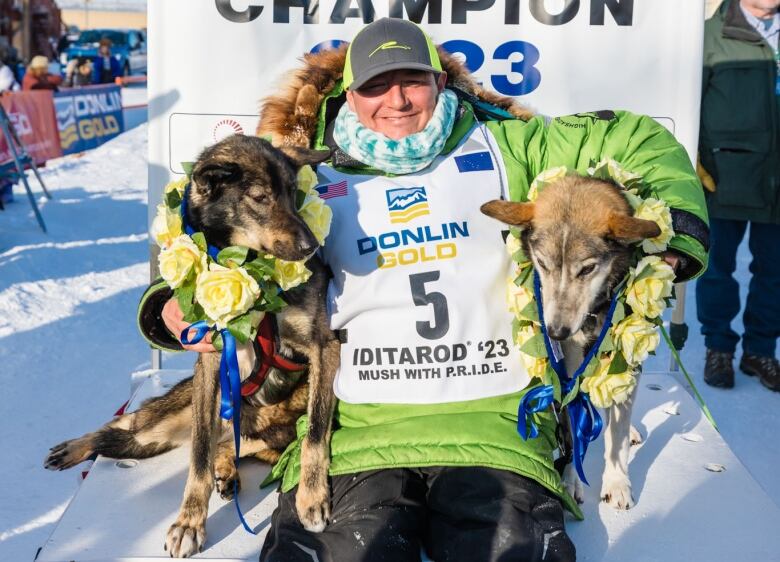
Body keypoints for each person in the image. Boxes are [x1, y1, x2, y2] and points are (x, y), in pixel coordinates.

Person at [138, 19, 709, 562]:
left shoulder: (508, 142)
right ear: (349, 94)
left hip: (493, 429)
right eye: (376, 86)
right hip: (359, 432)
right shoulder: (305, 169)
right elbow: (217, 238)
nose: (398, 100)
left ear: (441, 81)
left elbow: (635, 134)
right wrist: (173, 308)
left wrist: (680, 224)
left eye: (413, 80)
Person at [697, 0, 780, 391]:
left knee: (776, 273)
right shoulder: (711, 37)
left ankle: (760, 351)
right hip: (725, 176)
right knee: (717, 270)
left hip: (777, 182)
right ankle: (719, 349)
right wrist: (694, 159)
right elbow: (689, 100)